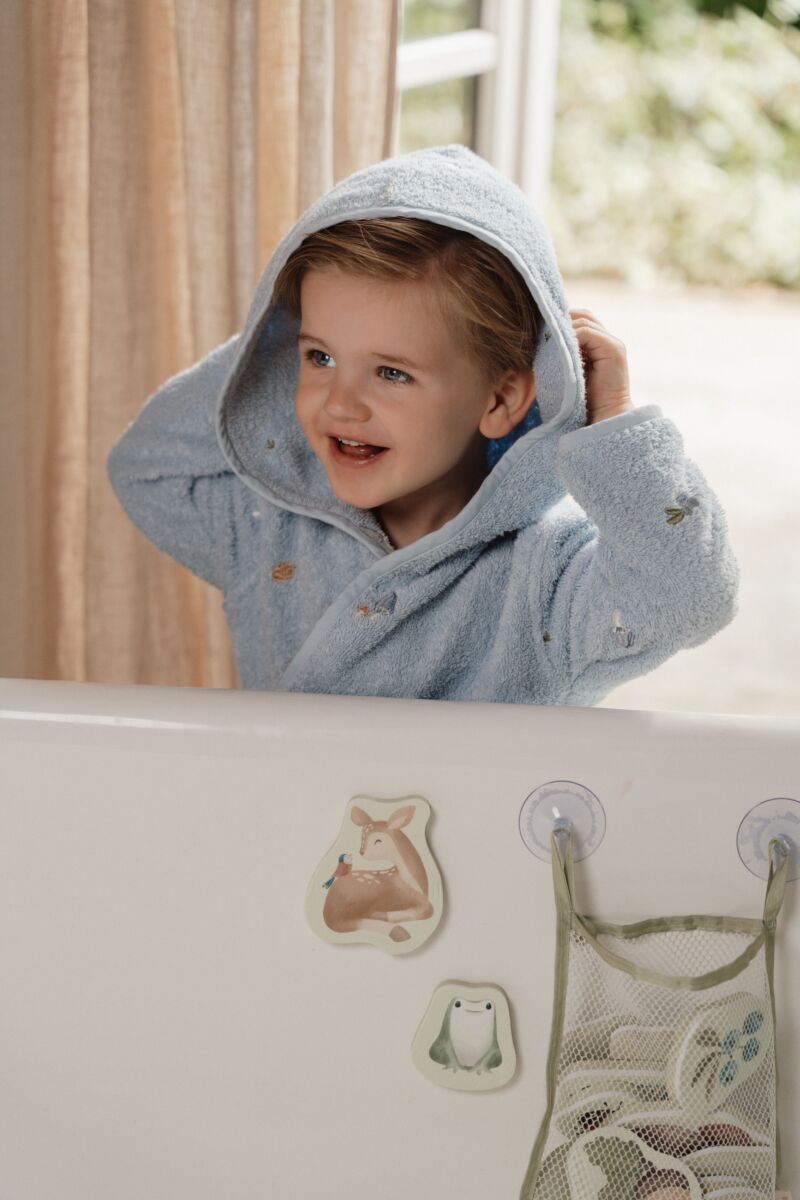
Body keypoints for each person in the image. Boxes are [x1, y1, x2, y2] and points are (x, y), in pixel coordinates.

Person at [106, 143, 739, 703]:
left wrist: (614, 420)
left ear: (500, 401)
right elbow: (146, 468)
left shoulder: (550, 575)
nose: (341, 404)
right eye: (319, 356)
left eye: (391, 373)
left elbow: (690, 595)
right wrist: (262, 347)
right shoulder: (269, 531)